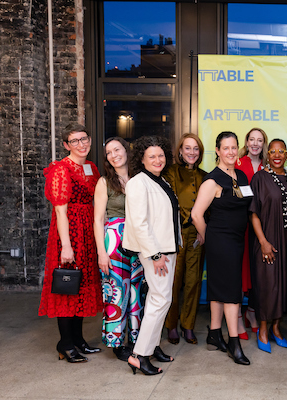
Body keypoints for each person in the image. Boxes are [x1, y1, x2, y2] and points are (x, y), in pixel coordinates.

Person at [39, 123, 103, 363]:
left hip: (88, 233)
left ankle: (78, 340)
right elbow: (60, 211)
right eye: (74, 141)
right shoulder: (61, 169)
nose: (81, 144)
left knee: (81, 287)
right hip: (69, 234)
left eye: (84, 138)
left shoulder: (91, 167)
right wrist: (66, 245)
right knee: (68, 289)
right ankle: (65, 343)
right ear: (66, 145)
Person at [191, 131, 253, 366]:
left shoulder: (242, 176)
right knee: (231, 291)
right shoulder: (212, 180)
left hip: (237, 240)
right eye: (225, 148)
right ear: (217, 151)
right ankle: (234, 343)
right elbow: (196, 214)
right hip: (220, 240)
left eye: (233, 147)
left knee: (219, 287)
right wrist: (209, 236)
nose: (230, 152)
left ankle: (214, 334)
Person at [123, 135, 180, 375]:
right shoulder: (138, 182)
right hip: (156, 252)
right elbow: (139, 223)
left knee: (159, 300)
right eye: (152, 156)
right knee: (160, 300)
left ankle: (152, 346)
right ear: (142, 159)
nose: (158, 160)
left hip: (167, 248)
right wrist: (155, 255)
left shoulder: (161, 180)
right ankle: (139, 355)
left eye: (160, 155)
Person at [93, 137, 144, 362]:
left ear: (126, 150)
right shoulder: (104, 182)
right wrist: (101, 253)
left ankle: (136, 338)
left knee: (136, 292)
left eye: (117, 150)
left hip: (138, 241)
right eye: (109, 153)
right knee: (116, 292)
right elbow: (98, 219)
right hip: (114, 241)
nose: (114, 155)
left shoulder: (139, 179)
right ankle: (116, 342)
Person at [249, 139, 287, 353]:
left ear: (286, 155)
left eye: (281, 151)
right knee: (267, 287)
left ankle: (276, 328)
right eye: (273, 151)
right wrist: (263, 242)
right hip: (267, 241)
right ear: (267, 155)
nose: (277, 155)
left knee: (286, 285)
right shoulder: (259, 178)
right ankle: (263, 329)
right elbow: (253, 213)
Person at [162, 133, 207, 345]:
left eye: (195, 148)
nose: (191, 152)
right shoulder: (170, 172)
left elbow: (208, 207)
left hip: (198, 233)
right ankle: (171, 325)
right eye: (187, 148)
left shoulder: (206, 176)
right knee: (174, 281)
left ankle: (188, 325)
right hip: (175, 234)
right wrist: (176, 229)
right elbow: (168, 204)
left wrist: (202, 228)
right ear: (180, 151)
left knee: (193, 281)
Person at [236, 127, 269, 337]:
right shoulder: (237, 163)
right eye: (252, 140)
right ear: (246, 143)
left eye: (260, 140)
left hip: (261, 227)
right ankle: (238, 316)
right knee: (240, 272)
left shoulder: (268, 166)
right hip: (240, 225)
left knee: (258, 273)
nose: (255, 143)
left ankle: (252, 311)